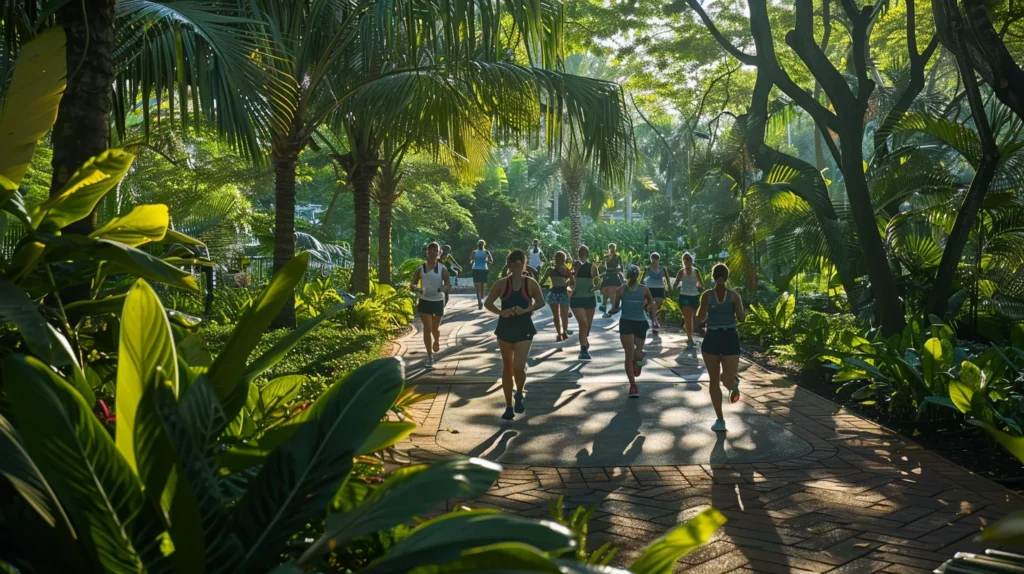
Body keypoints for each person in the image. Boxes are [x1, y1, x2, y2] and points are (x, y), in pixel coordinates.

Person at [485, 249, 546, 420]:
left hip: (524, 326)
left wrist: (525, 310)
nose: (518, 267)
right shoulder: (502, 284)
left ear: (524, 264)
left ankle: (519, 392)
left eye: (521, 263)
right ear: (510, 264)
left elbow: (541, 302)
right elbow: (488, 303)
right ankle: (508, 406)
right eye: (514, 263)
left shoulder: (530, 283)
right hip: (505, 327)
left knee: (519, 367)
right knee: (507, 367)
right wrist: (501, 312)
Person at [695, 263, 746, 432]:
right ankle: (732, 384)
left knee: (716, 380)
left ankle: (720, 419)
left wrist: (692, 320)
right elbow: (742, 318)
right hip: (728, 337)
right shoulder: (734, 296)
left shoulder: (707, 296)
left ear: (713, 276)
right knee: (723, 379)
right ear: (727, 276)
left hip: (715, 338)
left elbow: (700, 317)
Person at [609, 265, 655, 398]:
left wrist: (647, 307)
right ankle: (633, 385)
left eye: (635, 276)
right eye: (633, 276)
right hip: (626, 322)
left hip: (640, 323)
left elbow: (651, 303)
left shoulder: (644, 289)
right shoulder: (621, 290)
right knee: (629, 354)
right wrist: (611, 311)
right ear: (629, 276)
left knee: (636, 353)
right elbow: (616, 307)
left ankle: (639, 358)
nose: (634, 278)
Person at [409, 242, 451, 368]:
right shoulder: (420, 269)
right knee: (427, 328)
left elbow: (448, 283)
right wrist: (417, 289)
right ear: (427, 251)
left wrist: (444, 289)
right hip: (424, 301)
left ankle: (436, 340)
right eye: (430, 250)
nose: (433, 252)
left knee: (434, 329)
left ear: (439, 253)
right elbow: (412, 285)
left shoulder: (443, 269)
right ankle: (429, 356)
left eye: (435, 250)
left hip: (438, 301)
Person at [570, 245, 598, 360]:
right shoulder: (575, 265)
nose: (582, 254)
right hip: (576, 298)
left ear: (587, 254)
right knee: (583, 324)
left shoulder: (592, 266)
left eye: (584, 252)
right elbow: (571, 280)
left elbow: (598, 282)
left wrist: (593, 288)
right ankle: (583, 349)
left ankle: (584, 340)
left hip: (589, 299)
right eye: (581, 252)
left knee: (587, 326)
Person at [672, 252, 704, 346]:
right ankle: (690, 339)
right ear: (683, 261)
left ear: (691, 260)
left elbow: (701, 283)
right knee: (688, 316)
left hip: (694, 296)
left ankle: (687, 326)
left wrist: (699, 287)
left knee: (694, 317)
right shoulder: (681, 272)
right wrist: (675, 287)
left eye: (688, 259)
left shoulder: (696, 271)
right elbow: (675, 284)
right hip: (684, 296)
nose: (686, 261)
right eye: (684, 259)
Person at [542, 251, 573, 341]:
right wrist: (569, 275)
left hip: (554, 292)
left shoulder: (550, 270)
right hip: (563, 292)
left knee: (556, 315)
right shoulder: (565, 270)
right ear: (563, 259)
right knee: (564, 315)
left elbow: (542, 281)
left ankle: (560, 334)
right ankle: (564, 332)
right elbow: (573, 282)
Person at [642, 252, 667, 335]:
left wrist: (668, 289)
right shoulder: (648, 268)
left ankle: (654, 320)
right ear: (651, 259)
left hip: (660, 288)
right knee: (652, 306)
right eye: (653, 259)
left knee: (656, 306)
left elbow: (666, 279)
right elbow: (642, 278)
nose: (654, 260)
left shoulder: (663, 268)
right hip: (650, 288)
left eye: (656, 259)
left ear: (658, 259)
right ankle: (654, 324)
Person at [600, 243, 623, 316]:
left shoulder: (617, 256)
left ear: (614, 248)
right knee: (603, 289)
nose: (610, 249)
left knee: (614, 294)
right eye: (609, 247)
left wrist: (620, 273)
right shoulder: (606, 256)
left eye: (612, 247)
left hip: (614, 274)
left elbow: (621, 266)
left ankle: (613, 308)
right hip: (607, 274)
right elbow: (603, 267)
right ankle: (604, 305)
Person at [469, 239, 493, 310]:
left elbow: (470, 261)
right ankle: (481, 300)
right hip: (484, 269)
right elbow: (491, 261)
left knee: (477, 287)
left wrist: (473, 260)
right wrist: (486, 260)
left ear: (478, 245)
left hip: (476, 269)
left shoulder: (474, 252)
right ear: (484, 245)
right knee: (483, 286)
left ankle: (480, 300)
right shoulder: (486, 252)